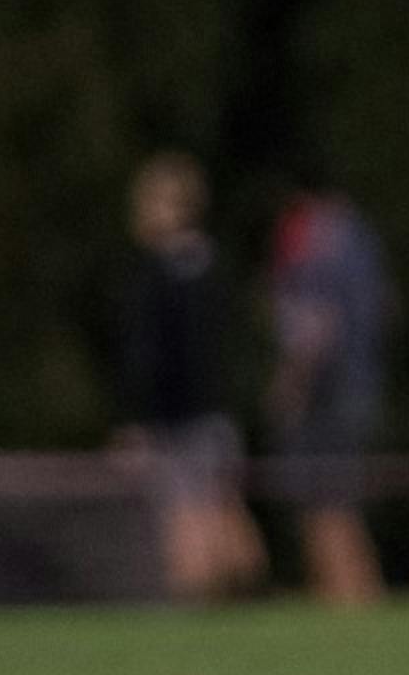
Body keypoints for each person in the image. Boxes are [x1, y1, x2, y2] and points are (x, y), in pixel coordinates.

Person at [114, 152, 268, 601]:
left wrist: (138, 422)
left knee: (185, 522)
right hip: (219, 414)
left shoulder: (158, 275)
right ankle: (250, 606)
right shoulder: (214, 265)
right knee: (224, 512)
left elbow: (150, 358)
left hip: (180, 420)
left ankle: (196, 614)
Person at [267, 169, 390, 606]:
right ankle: (362, 601)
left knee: (321, 509)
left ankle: (339, 605)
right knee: (344, 507)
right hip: (360, 385)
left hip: (325, 396)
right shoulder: (362, 236)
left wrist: (290, 385)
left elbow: (315, 326)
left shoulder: (315, 237)